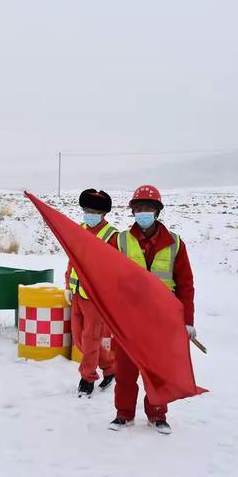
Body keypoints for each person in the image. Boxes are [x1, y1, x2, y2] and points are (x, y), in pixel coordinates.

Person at [109, 185, 196, 434]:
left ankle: (157, 415)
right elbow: (109, 279)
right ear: (133, 211)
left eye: (148, 208)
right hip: (129, 318)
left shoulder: (175, 244)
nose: (143, 212)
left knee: (158, 369)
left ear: (157, 211)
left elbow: (186, 286)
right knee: (125, 369)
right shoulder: (120, 240)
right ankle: (123, 415)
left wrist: (187, 320)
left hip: (162, 319)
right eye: (138, 208)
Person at [64, 189, 119, 397]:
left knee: (90, 339)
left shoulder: (113, 236)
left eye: (95, 211)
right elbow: (72, 261)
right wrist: (68, 285)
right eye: (87, 210)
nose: (90, 214)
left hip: (96, 299)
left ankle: (87, 378)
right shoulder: (79, 230)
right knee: (79, 340)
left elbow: (115, 270)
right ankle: (110, 367)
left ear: (104, 214)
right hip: (78, 294)